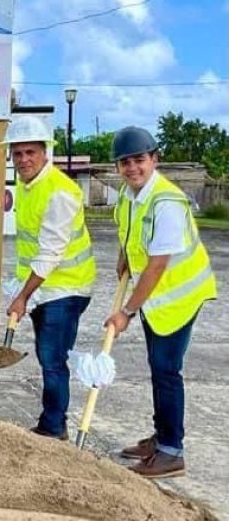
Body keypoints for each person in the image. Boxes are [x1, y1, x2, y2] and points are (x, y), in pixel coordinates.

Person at [107, 127, 217, 478]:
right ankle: (161, 436)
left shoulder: (167, 202)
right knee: (158, 367)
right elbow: (130, 230)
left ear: (155, 159)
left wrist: (126, 311)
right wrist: (124, 255)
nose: (132, 167)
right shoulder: (128, 195)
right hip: (158, 298)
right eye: (124, 162)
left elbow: (157, 266)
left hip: (179, 296)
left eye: (139, 159)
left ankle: (172, 451)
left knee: (167, 370)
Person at [4, 116, 96, 441]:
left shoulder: (60, 193)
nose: (24, 160)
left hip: (67, 286)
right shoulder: (26, 184)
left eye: (31, 152)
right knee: (48, 356)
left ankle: (54, 426)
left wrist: (22, 296)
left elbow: (49, 254)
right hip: (46, 286)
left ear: (46, 153)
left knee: (52, 357)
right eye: (18, 154)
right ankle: (52, 421)